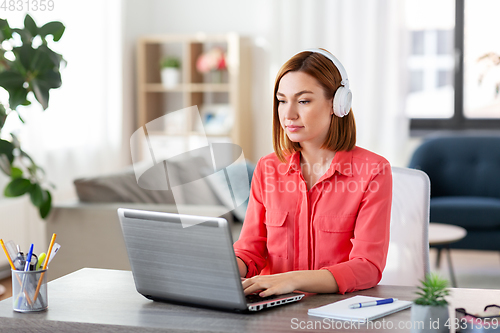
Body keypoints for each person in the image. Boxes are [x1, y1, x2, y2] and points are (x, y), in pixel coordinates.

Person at [233, 48, 392, 297]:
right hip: (271, 309)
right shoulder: (268, 168)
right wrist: (225, 267)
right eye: (282, 100)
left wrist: (292, 280)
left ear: (337, 104)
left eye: (303, 101)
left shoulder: (373, 171)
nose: (288, 114)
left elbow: (368, 267)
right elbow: (250, 250)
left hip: (335, 311)